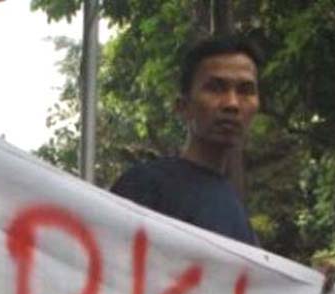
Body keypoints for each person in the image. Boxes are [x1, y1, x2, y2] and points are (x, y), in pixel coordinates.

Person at [111, 35, 260, 246]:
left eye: (245, 90)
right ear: (183, 106)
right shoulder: (145, 185)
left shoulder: (236, 212)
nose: (232, 103)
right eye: (216, 88)